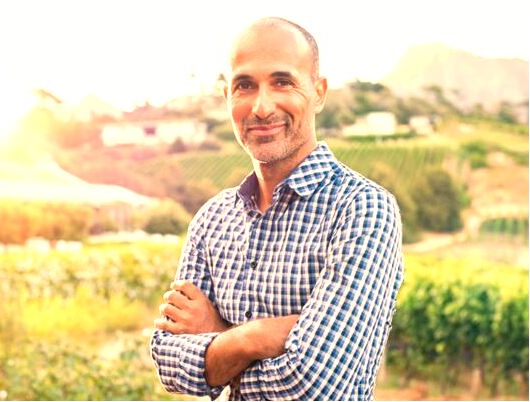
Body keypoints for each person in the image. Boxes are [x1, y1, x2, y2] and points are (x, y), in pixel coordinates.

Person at [150, 16, 403, 401]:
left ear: (318, 92)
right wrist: (255, 338)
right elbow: (169, 365)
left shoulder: (362, 209)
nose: (262, 107)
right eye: (245, 85)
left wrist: (218, 339)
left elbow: (315, 386)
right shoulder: (212, 220)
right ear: (227, 97)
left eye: (282, 82)